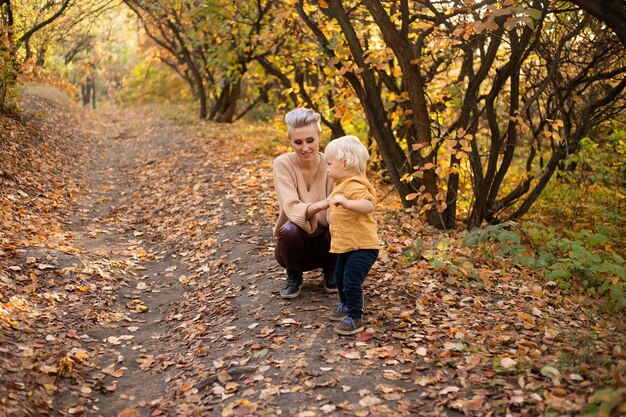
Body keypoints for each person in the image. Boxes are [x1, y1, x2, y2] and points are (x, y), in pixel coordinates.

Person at [273, 108, 337, 299]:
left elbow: (338, 208)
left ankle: (332, 270)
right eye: (298, 142)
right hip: (293, 246)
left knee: (341, 222)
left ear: (320, 136)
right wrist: (322, 204)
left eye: (310, 140)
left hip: (329, 245)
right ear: (290, 141)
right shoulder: (282, 164)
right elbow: (291, 207)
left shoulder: (333, 163)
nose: (305, 147)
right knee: (289, 230)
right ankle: (294, 275)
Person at [325, 135, 380, 335]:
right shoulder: (342, 184)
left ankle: (355, 316)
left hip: (362, 247)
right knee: (339, 276)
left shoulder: (355, 185)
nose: (327, 168)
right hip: (348, 245)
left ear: (345, 162)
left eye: (329, 164)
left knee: (350, 279)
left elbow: (369, 205)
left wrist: (348, 203)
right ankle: (345, 304)